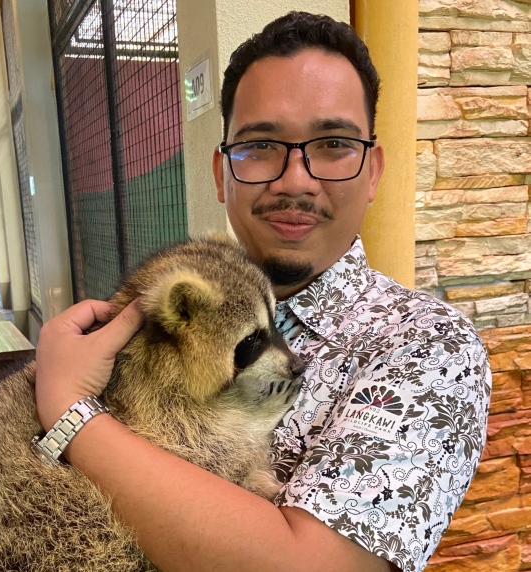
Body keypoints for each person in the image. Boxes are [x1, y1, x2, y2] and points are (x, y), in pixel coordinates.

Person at [35, 12, 491, 572]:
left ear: (373, 171)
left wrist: (68, 412)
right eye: (260, 147)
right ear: (222, 173)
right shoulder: (161, 312)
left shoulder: (428, 348)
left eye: (333, 144)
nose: (295, 179)